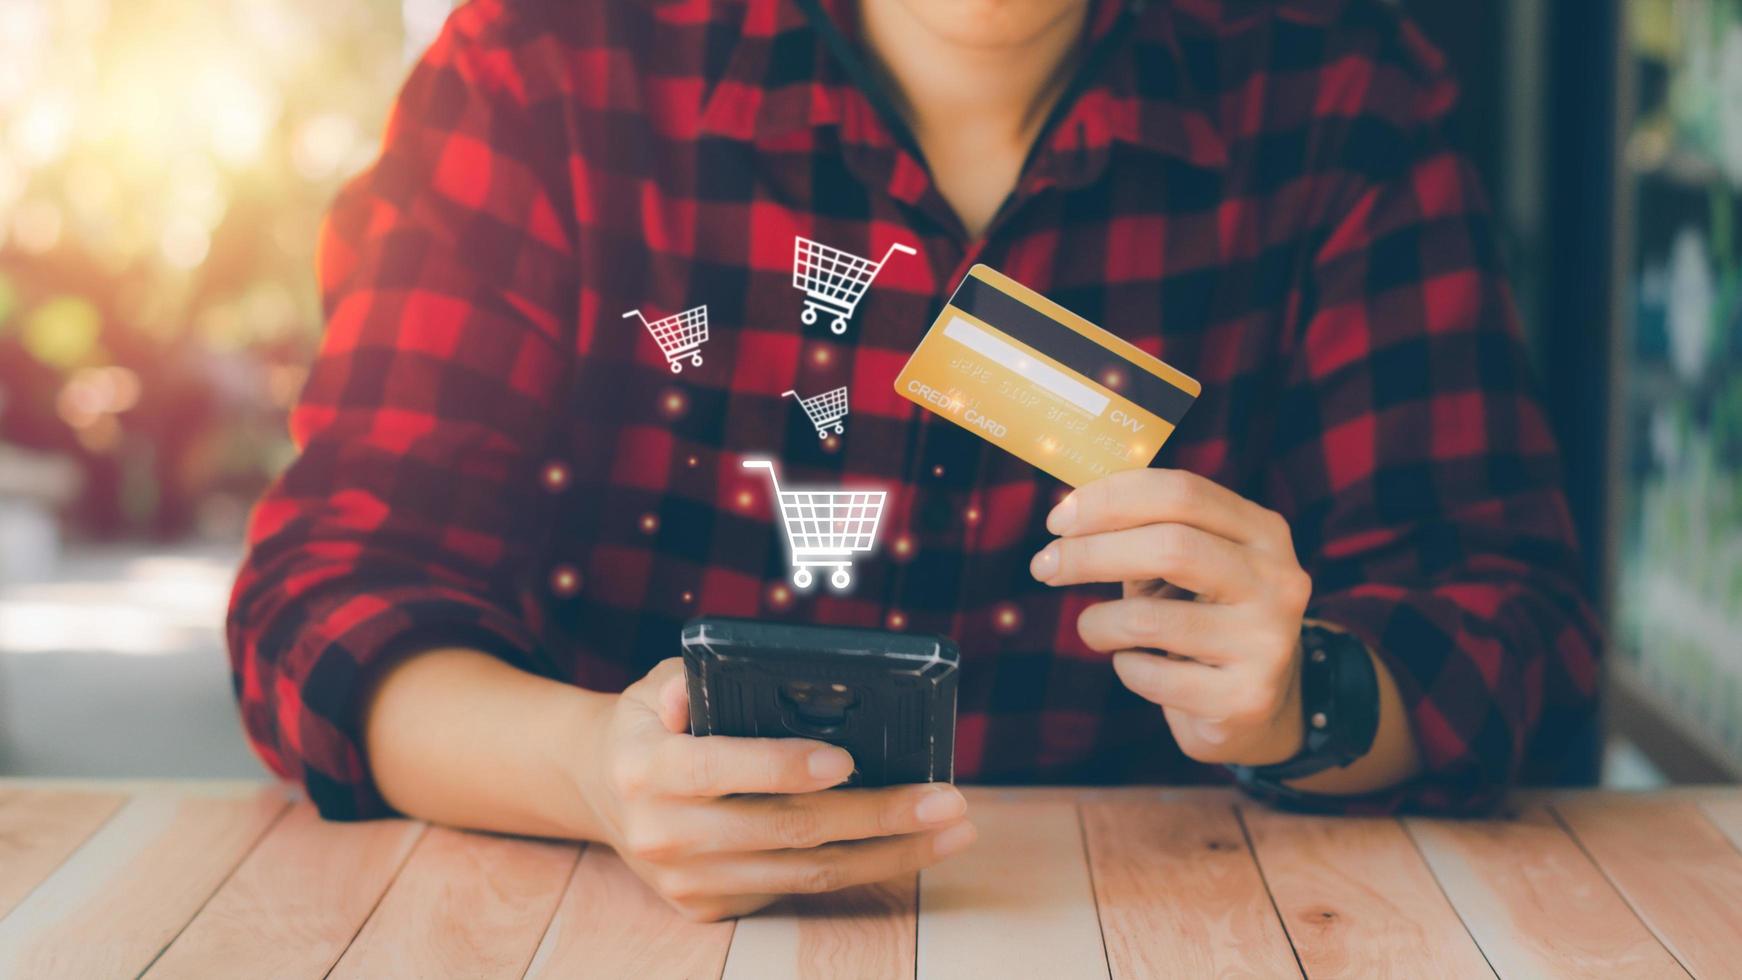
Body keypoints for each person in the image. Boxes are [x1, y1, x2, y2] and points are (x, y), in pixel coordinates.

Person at [228, 0, 1601, 922]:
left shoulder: (1335, 102)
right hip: (610, 930)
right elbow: (330, 600)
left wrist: (1304, 696)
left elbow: (1509, 624)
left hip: (1151, 930)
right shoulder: (543, 68)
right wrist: (588, 766)